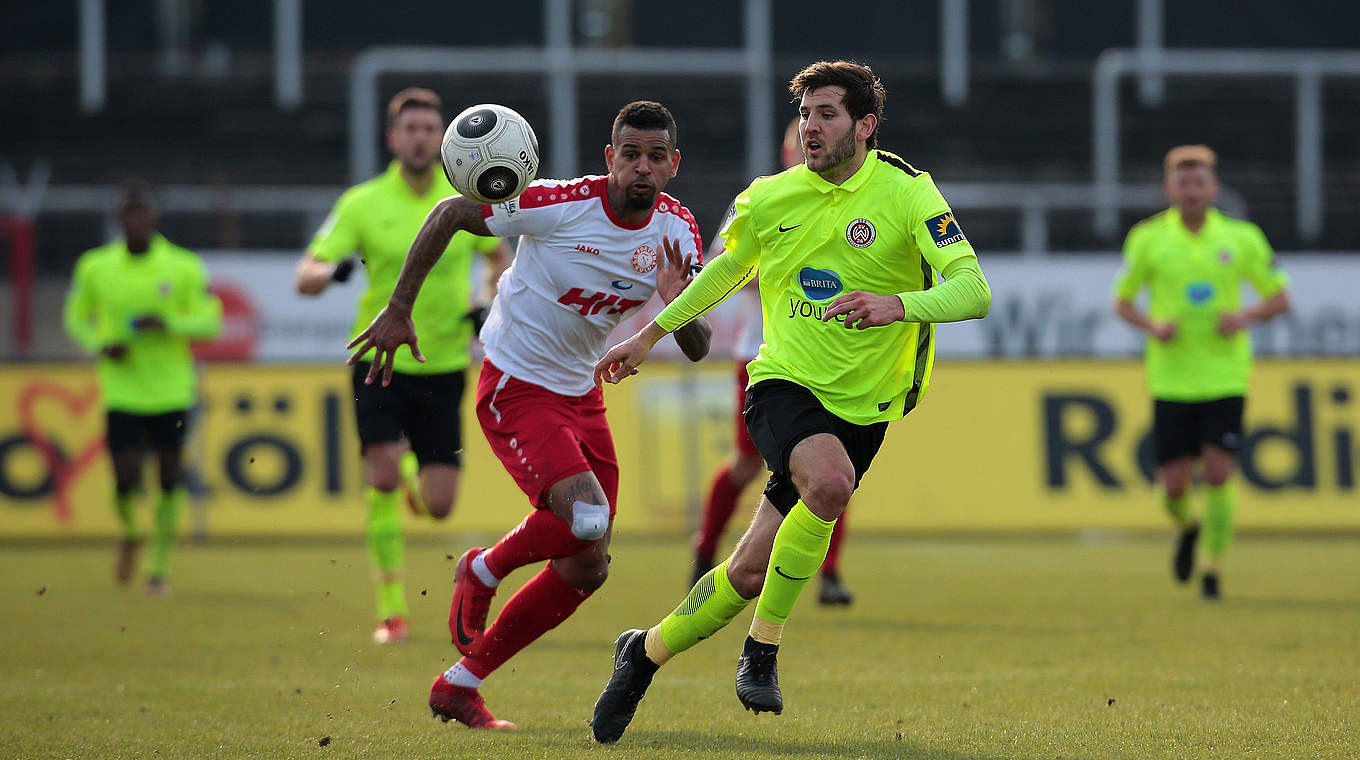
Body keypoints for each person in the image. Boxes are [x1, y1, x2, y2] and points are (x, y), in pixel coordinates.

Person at [588, 60, 992, 743]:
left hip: (867, 405)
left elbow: (973, 290)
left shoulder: (908, 193)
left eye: (827, 114)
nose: (811, 126)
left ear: (864, 126)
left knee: (748, 570)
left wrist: (899, 304)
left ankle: (644, 653)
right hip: (781, 383)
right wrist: (650, 335)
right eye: (805, 114)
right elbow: (726, 269)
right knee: (830, 486)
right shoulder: (769, 198)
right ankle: (763, 649)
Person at [346, 101, 713, 729]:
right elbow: (450, 212)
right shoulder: (560, 203)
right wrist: (399, 306)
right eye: (631, 154)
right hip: (514, 385)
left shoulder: (678, 232)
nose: (642, 168)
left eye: (656, 157)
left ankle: (459, 683)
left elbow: (699, 344)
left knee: (587, 564)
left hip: (580, 394)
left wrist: (681, 306)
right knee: (587, 515)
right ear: (610, 158)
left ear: (674, 165)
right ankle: (482, 567)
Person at [295, 87, 512, 644]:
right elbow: (307, 273)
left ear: (442, 140)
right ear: (393, 138)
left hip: (443, 364)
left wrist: (487, 300)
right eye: (410, 129)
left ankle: (412, 476)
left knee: (439, 507)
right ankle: (392, 608)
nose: (420, 138)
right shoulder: (362, 203)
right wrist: (331, 274)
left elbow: (500, 262)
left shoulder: (464, 199)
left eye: (429, 130)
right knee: (382, 473)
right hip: (376, 357)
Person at [1113, 145, 1290, 601]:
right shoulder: (1148, 238)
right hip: (1171, 376)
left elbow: (1279, 298)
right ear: (1169, 188)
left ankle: (1213, 570)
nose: (1191, 189)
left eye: (1199, 181)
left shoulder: (1242, 238)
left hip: (1224, 375)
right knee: (1173, 485)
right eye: (1183, 181)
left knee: (1216, 475)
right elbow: (1123, 303)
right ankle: (1187, 527)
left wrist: (1243, 318)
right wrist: (1154, 325)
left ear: (1213, 187)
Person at [691, 117, 854, 606]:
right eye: (801, 143)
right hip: (765, 357)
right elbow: (723, 264)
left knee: (836, 467)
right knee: (745, 464)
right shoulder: (764, 200)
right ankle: (704, 553)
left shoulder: (854, 207)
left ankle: (829, 574)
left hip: (832, 358)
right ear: (788, 155)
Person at [63, 179, 223, 596]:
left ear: (153, 217)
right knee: (126, 476)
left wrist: (168, 323)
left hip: (171, 389)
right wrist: (100, 344)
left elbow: (210, 321)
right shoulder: (95, 267)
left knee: (169, 476)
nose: (135, 220)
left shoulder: (182, 266)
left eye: (142, 213)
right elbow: (76, 318)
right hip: (123, 390)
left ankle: (158, 567)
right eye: (128, 214)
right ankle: (132, 530)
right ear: (119, 219)